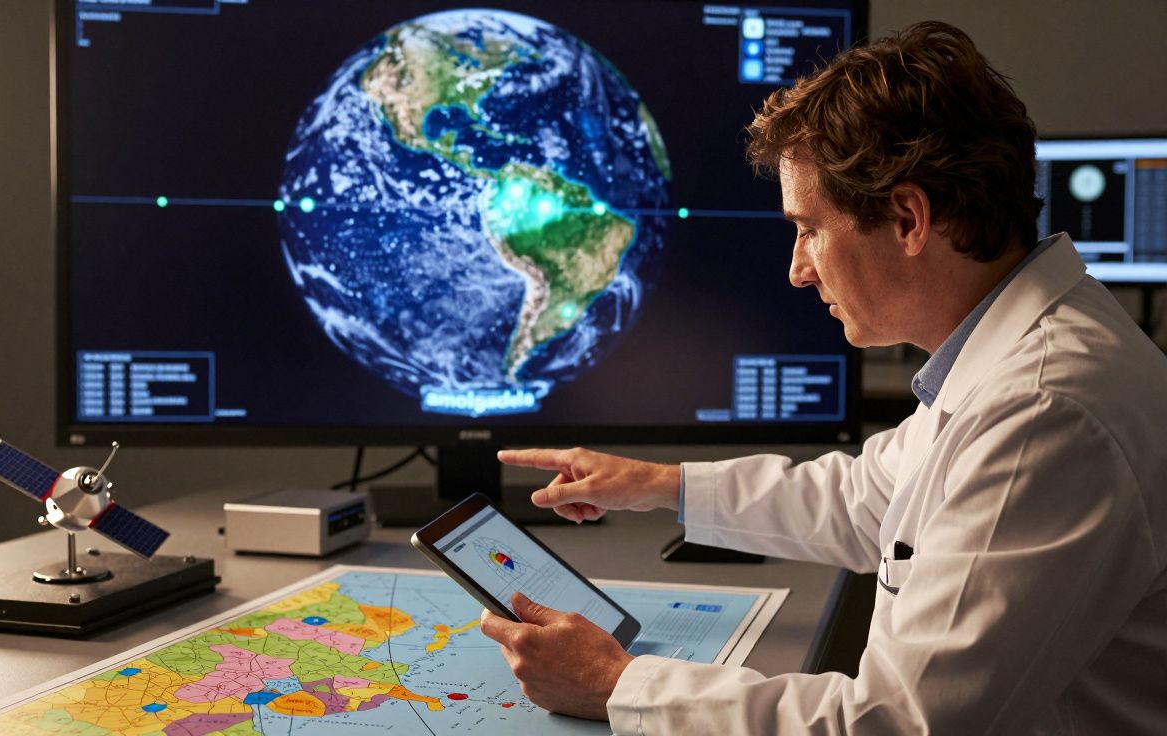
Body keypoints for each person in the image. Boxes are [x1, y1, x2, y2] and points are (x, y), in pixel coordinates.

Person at [478, 20, 1167, 735]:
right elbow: (862, 499)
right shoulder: (1012, 358)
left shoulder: (1044, 412)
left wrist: (617, 685)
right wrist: (659, 484)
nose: (798, 270)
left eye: (809, 229)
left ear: (908, 219)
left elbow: (899, 723)